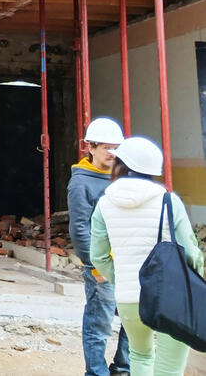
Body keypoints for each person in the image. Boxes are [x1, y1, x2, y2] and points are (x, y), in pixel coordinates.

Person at [90, 136, 204, 376]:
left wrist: (121, 278)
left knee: (140, 356)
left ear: (121, 165)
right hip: (170, 295)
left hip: (128, 298)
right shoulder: (168, 201)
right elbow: (191, 253)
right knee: (169, 367)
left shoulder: (104, 203)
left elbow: (98, 256)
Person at [67, 117, 130, 376]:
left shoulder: (122, 178)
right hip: (101, 267)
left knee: (133, 319)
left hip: (127, 263)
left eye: (116, 147)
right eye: (106, 147)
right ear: (90, 147)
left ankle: (123, 368)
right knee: (99, 323)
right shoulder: (81, 183)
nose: (112, 153)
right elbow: (80, 229)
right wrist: (95, 265)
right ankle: (96, 372)